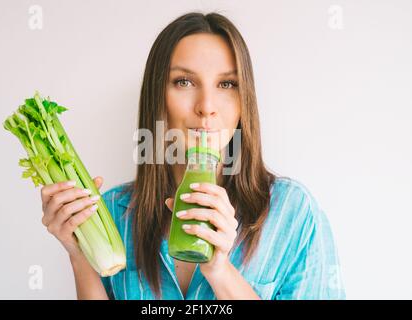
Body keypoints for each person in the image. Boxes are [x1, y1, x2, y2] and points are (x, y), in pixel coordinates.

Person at [40, 12, 345, 300]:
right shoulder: (113, 214)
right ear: (157, 96)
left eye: (227, 84)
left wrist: (220, 270)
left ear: (244, 102)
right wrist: (78, 255)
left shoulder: (292, 214)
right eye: (184, 82)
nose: (207, 106)